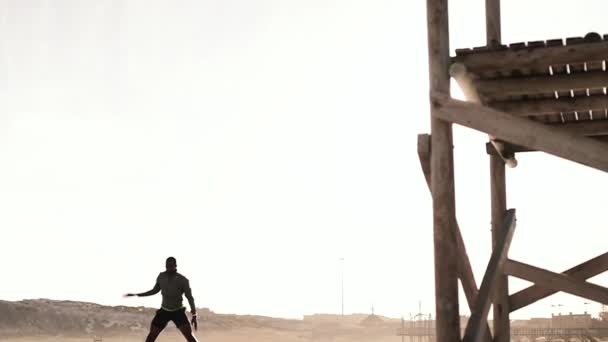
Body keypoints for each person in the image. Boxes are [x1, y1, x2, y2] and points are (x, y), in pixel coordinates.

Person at [124, 257, 199, 342]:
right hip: (164, 311)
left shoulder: (183, 280)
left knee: (190, 336)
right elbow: (154, 291)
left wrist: (194, 314)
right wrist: (137, 294)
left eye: (171, 265)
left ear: (175, 266)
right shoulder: (161, 276)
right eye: (167, 265)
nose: (169, 267)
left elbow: (190, 297)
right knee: (151, 336)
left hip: (178, 311)